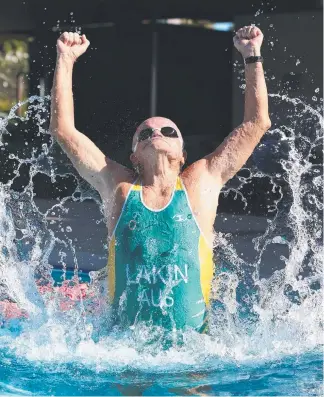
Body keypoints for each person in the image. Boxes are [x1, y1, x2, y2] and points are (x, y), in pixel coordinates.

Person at [48, 26, 271, 332]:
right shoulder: (119, 188)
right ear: (134, 156)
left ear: (182, 154)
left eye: (168, 132)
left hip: (192, 352)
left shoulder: (200, 183)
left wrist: (252, 55)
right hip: (124, 350)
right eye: (145, 133)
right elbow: (64, 132)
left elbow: (257, 123)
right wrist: (65, 59)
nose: (156, 134)